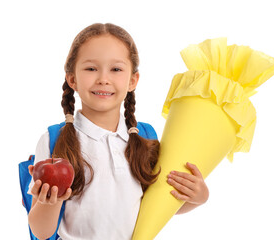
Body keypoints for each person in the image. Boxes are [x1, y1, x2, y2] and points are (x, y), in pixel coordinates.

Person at [27, 23, 209, 240]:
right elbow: (41, 232)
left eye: (116, 69)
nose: (104, 78)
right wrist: (52, 200)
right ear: (72, 78)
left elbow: (157, 207)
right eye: (91, 68)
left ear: (133, 80)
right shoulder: (53, 140)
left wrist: (197, 198)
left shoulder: (145, 137)